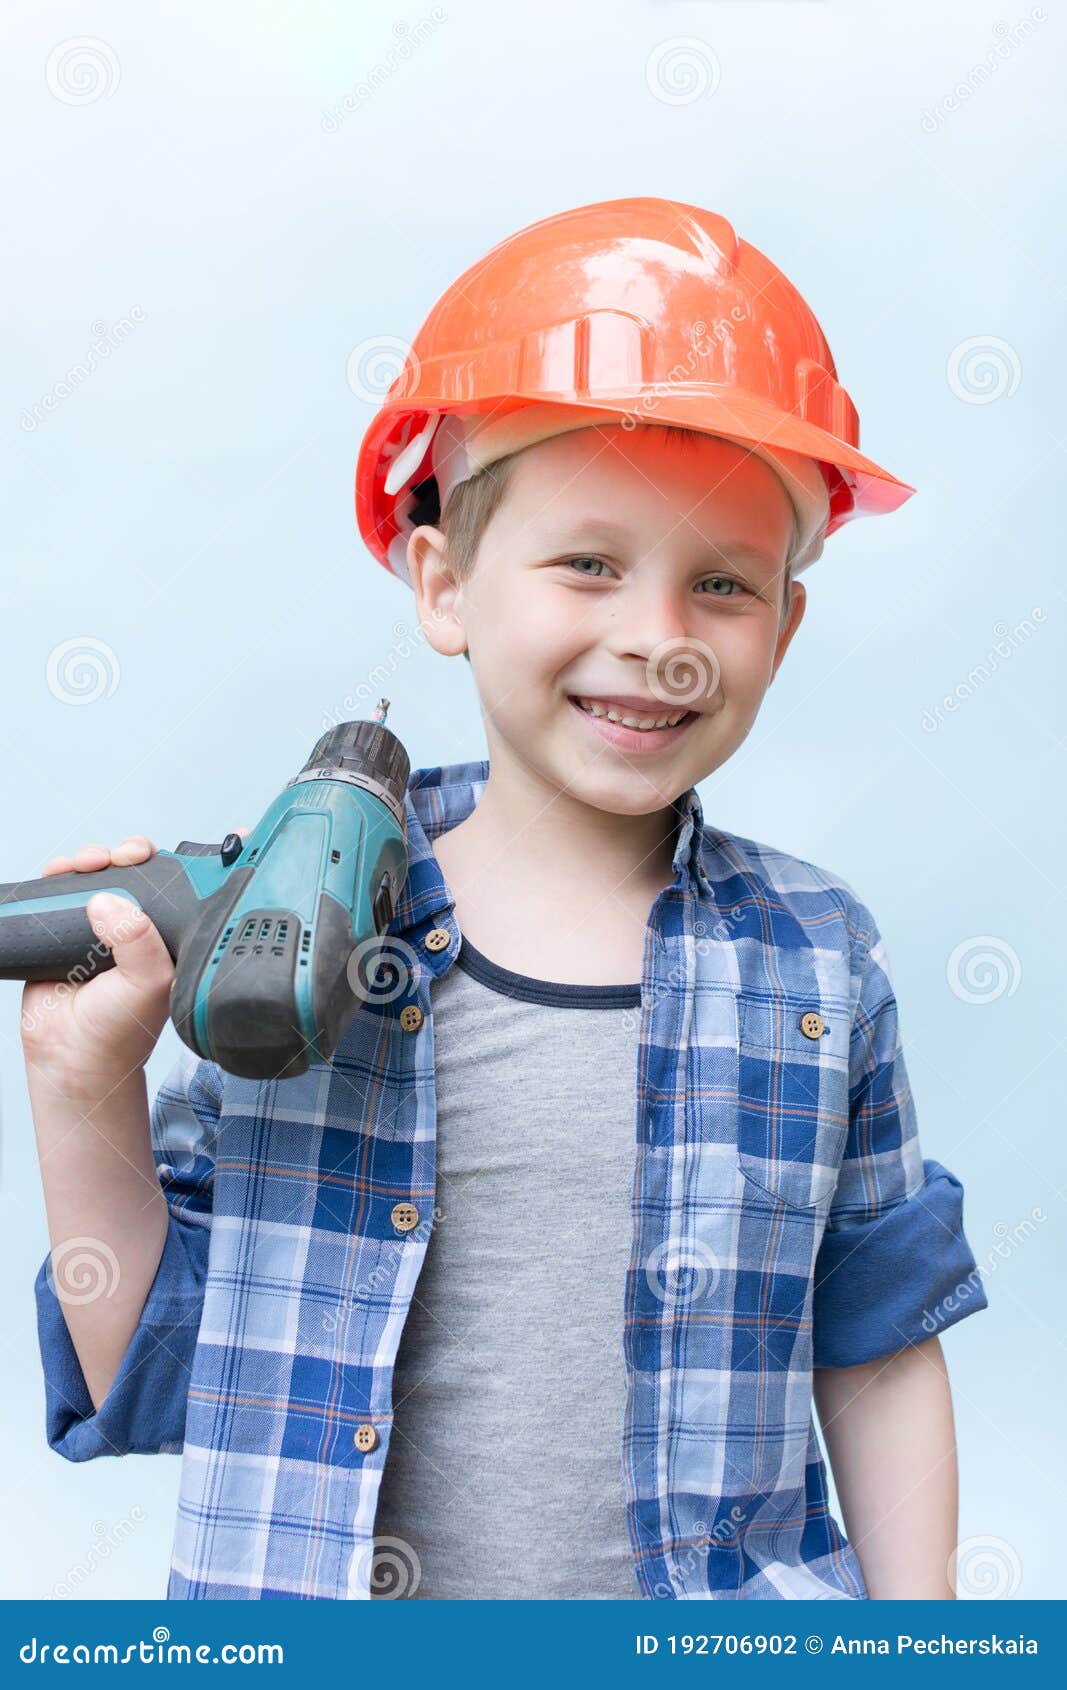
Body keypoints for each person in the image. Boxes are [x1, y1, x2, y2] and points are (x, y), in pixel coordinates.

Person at [24, 198, 987, 1601]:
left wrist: (923, 1639)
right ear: (445, 581)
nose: (656, 635)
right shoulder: (289, 942)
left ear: (784, 623)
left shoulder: (817, 961)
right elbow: (160, 1367)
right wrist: (78, 1084)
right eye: (589, 562)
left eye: (722, 583)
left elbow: (882, 1339)